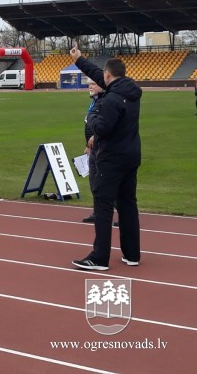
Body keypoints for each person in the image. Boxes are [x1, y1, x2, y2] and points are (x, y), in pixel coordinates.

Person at [70, 42, 142, 271]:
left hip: (111, 159)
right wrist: (78, 59)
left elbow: (102, 128)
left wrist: (91, 116)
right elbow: (96, 73)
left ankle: (99, 258)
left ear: (108, 76)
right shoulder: (130, 92)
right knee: (128, 204)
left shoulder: (111, 99)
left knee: (103, 206)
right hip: (131, 155)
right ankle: (132, 254)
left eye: (103, 76)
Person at [81, 78, 104, 223]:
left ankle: (124, 214)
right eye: (89, 84)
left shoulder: (105, 102)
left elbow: (107, 124)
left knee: (103, 184)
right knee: (94, 183)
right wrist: (87, 144)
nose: (90, 86)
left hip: (103, 149)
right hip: (93, 149)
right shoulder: (94, 102)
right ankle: (98, 212)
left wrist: (97, 136)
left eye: (93, 84)